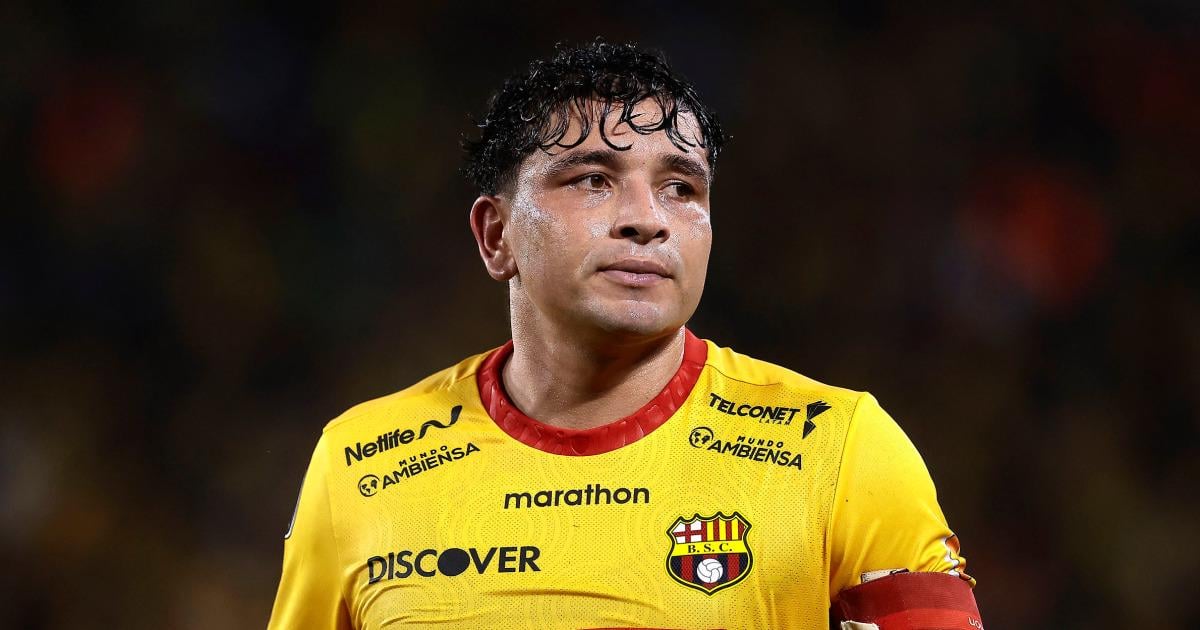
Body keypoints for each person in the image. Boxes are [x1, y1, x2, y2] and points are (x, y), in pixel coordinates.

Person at [267, 41, 983, 630]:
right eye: (593, 180)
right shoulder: (359, 464)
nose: (647, 219)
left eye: (681, 188)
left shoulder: (838, 450)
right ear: (496, 236)